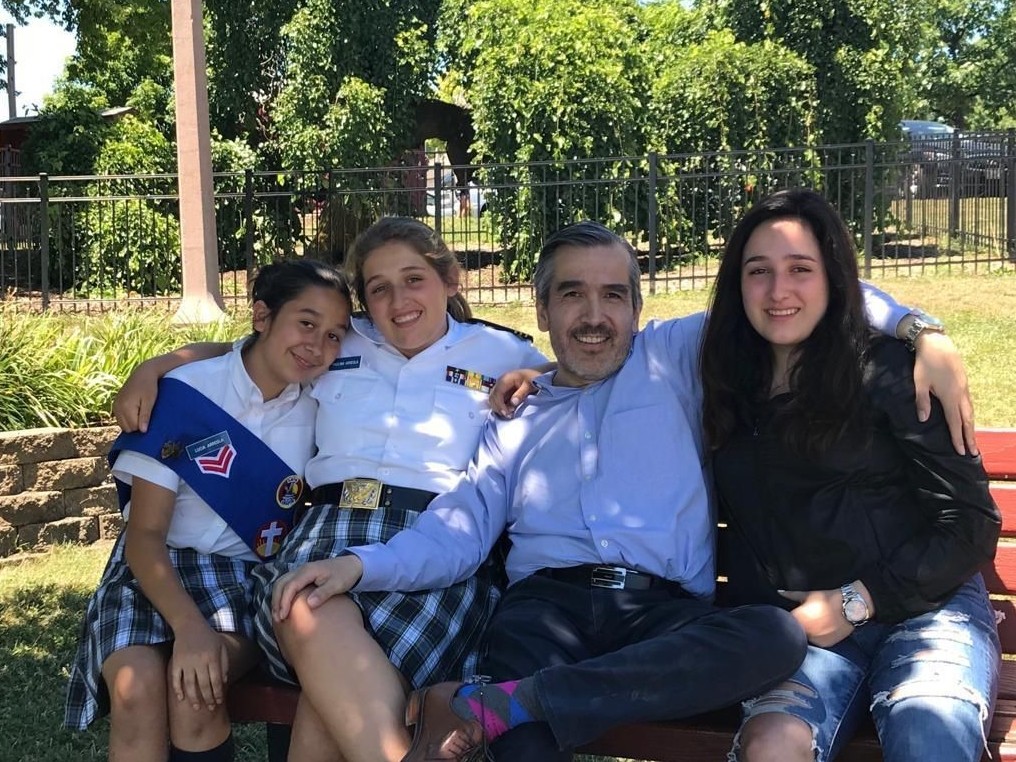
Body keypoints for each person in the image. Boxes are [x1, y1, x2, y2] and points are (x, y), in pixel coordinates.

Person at [271, 220, 973, 762]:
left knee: (770, 634)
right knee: (524, 747)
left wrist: (922, 331)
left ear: (639, 308)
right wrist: (358, 566)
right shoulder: (515, 412)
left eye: (613, 295)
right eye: (572, 294)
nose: (594, 315)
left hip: (661, 612)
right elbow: (457, 531)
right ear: (542, 311)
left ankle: (516, 702)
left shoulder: (674, 358)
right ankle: (517, 705)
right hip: (545, 608)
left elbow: (794, 299)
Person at [112, 217, 548, 762]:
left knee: (326, 698)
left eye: (414, 279)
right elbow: (245, 348)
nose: (399, 300)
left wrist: (535, 375)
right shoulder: (341, 340)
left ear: (450, 280)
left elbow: (565, 381)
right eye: (378, 287)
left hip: (437, 544)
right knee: (304, 606)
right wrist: (154, 366)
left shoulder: (502, 351)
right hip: (326, 531)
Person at [698, 188, 1001, 762]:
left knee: (928, 729)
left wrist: (857, 601)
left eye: (800, 270)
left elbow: (970, 524)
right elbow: (608, 356)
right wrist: (534, 372)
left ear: (835, 280)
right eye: (758, 271)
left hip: (924, 608)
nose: (778, 290)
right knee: (770, 748)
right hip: (804, 633)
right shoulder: (721, 380)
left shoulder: (891, 374)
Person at [64, 259, 352, 762]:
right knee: (138, 688)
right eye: (306, 323)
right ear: (261, 316)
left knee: (196, 687)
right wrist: (191, 629)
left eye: (334, 335)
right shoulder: (187, 395)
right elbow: (146, 536)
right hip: (149, 571)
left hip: (243, 579)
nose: (317, 345)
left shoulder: (322, 405)